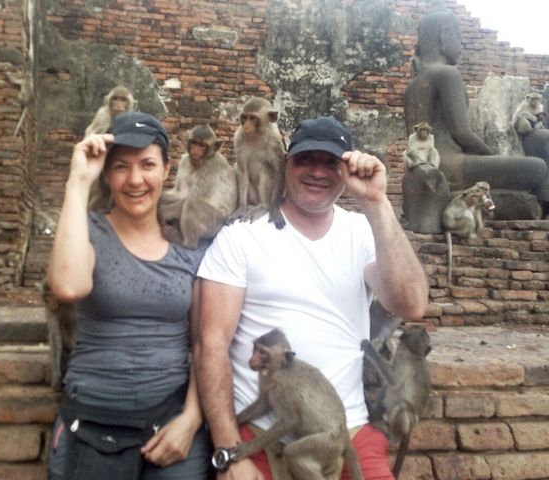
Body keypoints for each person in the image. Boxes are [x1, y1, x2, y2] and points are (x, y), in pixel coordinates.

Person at [193, 116, 430, 479]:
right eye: (306, 160)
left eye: (330, 162)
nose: (317, 172)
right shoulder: (242, 236)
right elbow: (211, 344)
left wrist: (376, 202)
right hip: (262, 433)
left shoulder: (360, 232)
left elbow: (411, 304)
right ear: (287, 164)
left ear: (345, 169)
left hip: (344, 429)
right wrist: (229, 451)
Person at [46, 111, 212, 479]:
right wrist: (78, 181)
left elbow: (205, 341)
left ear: (167, 169)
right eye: (121, 167)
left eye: (148, 165)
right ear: (107, 173)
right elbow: (68, 286)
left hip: (170, 424)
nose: (135, 180)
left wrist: (191, 418)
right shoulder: (88, 230)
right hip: (89, 421)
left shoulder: (189, 243)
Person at [403, 4, 549, 203]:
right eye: (458, 35)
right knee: (538, 167)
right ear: (444, 36)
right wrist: (492, 156)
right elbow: (462, 134)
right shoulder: (447, 74)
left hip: (430, 166)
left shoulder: (414, 84)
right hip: (451, 166)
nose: (461, 43)